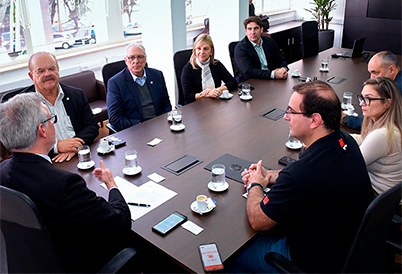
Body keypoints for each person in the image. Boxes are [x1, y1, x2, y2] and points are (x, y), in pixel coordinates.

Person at [227, 81, 373, 273]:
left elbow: (258, 220)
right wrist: (269, 176)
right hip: (343, 249)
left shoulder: (301, 174)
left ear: (314, 120)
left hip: (311, 262)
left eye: (291, 111)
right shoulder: (345, 142)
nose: (286, 117)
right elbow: (306, 177)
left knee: (230, 258)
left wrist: (255, 184)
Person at [0, 93, 132, 273]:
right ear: (42, 130)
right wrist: (111, 185)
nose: (54, 124)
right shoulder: (64, 184)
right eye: (51, 119)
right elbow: (120, 223)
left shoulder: (2, 171)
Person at [19, 51, 99, 163]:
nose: (47, 74)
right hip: (45, 161)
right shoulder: (23, 105)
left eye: (52, 69)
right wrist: (57, 147)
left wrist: (74, 147)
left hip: (79, 155)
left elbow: (92, 127)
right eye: (40, 71)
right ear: (31, 76)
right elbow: (22, 143)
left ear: (58, 70)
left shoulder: (76, 94)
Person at [351, 77, 402, 214]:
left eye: (368, 99)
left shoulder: (381, 135)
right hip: (390, 195)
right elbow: (363, 140)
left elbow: (350, 167)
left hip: (381, 200)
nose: (362, 103)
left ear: (387, 103)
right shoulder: (391, 125)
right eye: (361, 97)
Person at [107, 43, 172, 131]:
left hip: (159, 124)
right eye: (132, 57)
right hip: (135, 129)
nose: (136, 61)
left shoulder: (157, 75)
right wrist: (140, 125)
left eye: (140, 57)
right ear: (126, 61)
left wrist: (160, 121)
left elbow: (166, 105)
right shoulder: (115, 83)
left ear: (145, 59)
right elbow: (115, 118)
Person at [343, 51, 402, 129]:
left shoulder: (396, 90)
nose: (372, 78)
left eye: (376, 73)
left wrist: (345, 119)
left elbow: (379, 123)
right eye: (371, 73)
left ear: (391, 69)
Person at [181, 34, 237, 104]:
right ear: (194, 50)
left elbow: (233, 82)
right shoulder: (188, 69)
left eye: (206, 48)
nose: (202, 52)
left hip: (215, 103)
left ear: (211, 51)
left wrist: (216, 90)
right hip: (195, 107)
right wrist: (207, 94)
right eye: (199, 48)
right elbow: (188, 96)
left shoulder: (216, 64)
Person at [234, 16, 288, 83]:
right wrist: (273, 74)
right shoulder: (240, 48)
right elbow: (248, 71)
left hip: (269, 80)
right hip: (250, 83)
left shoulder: (269, 41)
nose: (253, 32)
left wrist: (283, 70)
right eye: (249, 29)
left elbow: (281, 60)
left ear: (261, 30)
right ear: (246, 31)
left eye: (256, 28)